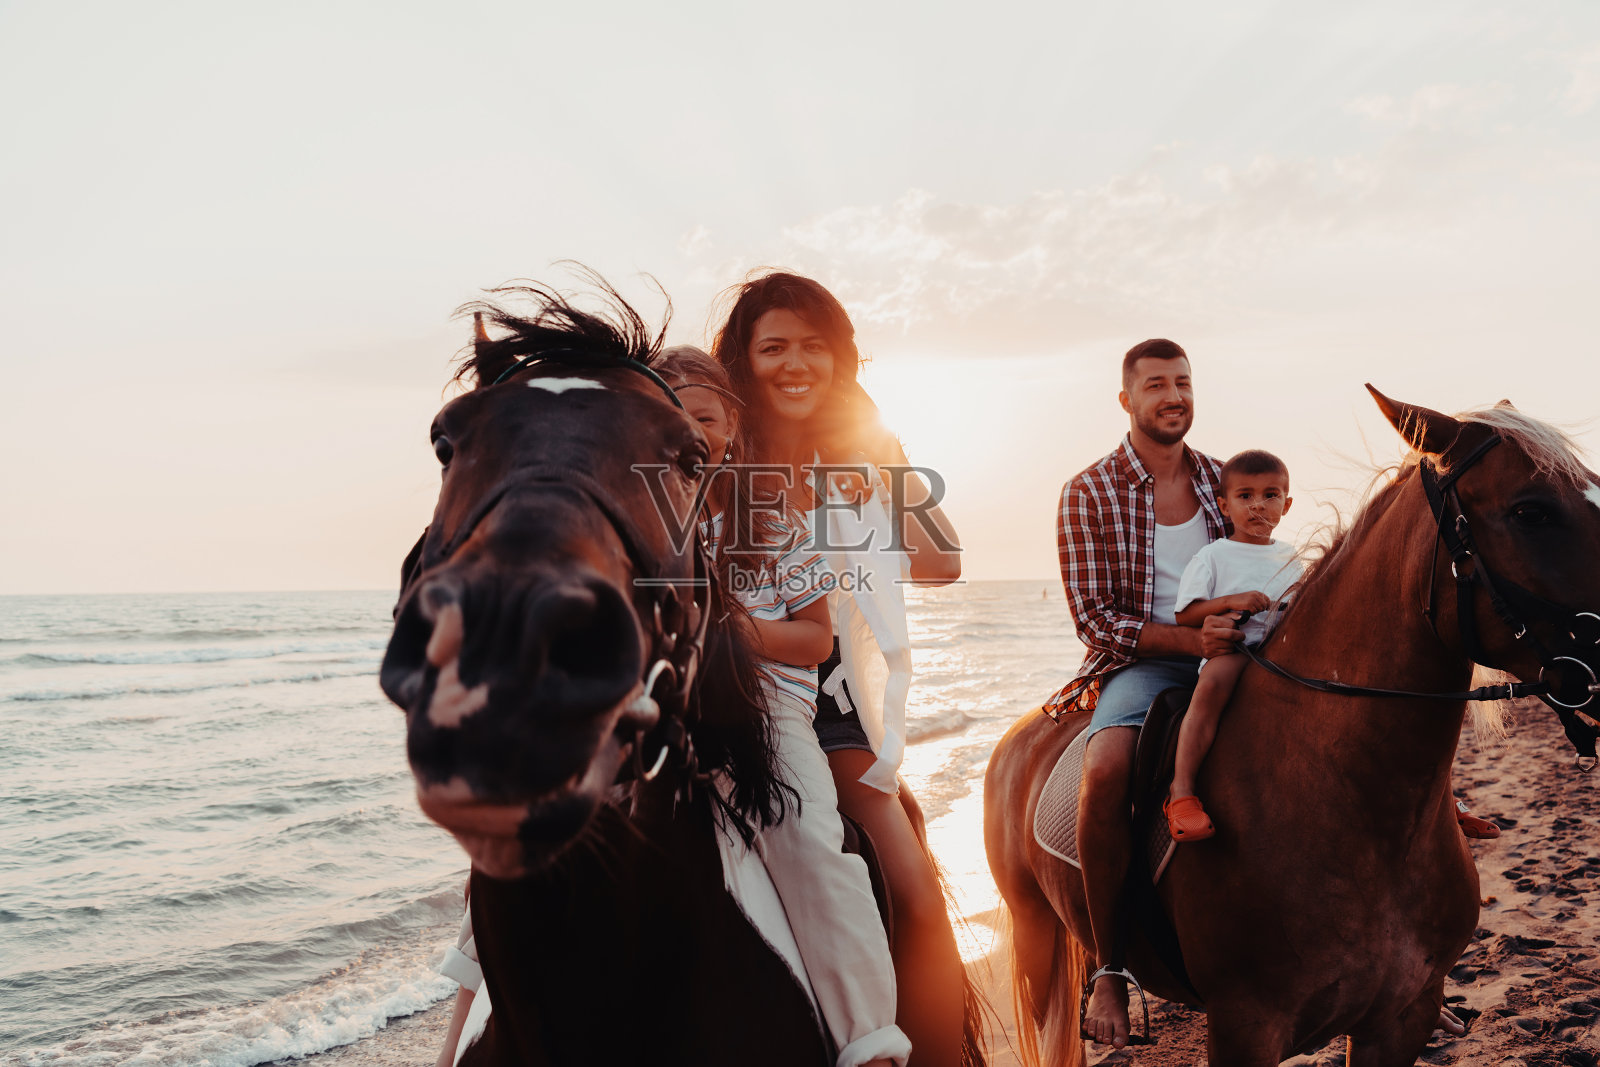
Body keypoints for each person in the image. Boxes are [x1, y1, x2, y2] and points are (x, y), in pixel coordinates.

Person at [709, 274, 969, 1067]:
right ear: (745, 361)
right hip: (713, 687)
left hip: (825, 702)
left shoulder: (858, 454)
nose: (795, 362)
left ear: (838, 357)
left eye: (813, 346)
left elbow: (943, 563)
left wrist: (890, 467)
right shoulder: (717, 447)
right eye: (774, 346)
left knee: (912, 883)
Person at [652, 344, 909, 1067]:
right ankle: (470, 1025)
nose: (692, 431)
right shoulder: (636, 517)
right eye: (671, 416)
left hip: (761, 702)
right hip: (661, 696)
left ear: (731, 425)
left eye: (705, 415)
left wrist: (731, 630)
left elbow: (814, 636)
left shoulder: (770, 520)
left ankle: (869, 1040)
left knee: (805, 835)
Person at [1044, 338, 1237, 1048]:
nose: (1174, 396)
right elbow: (1095, 617)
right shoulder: (1088, 490)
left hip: (1240, 652)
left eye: (1183, 382)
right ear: (1127, 399)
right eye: (1156, 384)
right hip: (1146, 663)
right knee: (1106, 769)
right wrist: (1191, 643)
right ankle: (1109, 965)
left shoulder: (1225, 479)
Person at [1165, 449, 1302, 841]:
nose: (1258, 505)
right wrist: (1231, 600)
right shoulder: (1214, 556)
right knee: (1210, 689)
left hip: (1285, 651)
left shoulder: (1294, 555)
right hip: (1238, 648)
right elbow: (1185, 613)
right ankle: (1183, 790)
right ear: (1225, 506)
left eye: (1270, 495)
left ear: (1287, 505)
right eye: (1245, 496)